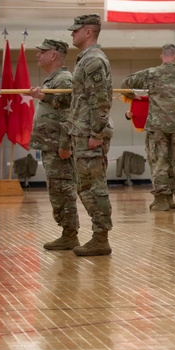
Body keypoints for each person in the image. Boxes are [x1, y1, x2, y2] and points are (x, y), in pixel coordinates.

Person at [121, 44, 175, 212]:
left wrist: (134, 96)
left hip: (157, 126)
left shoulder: (151, 73)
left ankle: (162, 199)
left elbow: (125, 83)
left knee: (160, 161)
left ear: (162, 56)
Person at [63, 14, 114, 257]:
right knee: (86, 187)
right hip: (82, 132)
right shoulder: (85, 60)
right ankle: (98, 235)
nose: (72, 34)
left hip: (89, 134)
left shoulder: (93, 61)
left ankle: (101, 238)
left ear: (88, 32)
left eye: (76, 30)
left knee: (95, 186)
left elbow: (100, 101)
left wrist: (97, 133)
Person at [29, 39, 79, 250]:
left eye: (42, 52)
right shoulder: (53, 80)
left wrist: (65, 144)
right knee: (57, 190)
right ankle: (66, 232)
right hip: (51, 146)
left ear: (54, 55)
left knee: (63, 190)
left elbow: (70, 114)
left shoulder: (64, 80)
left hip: (59, 147)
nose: (38, 55)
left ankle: (70, 234)